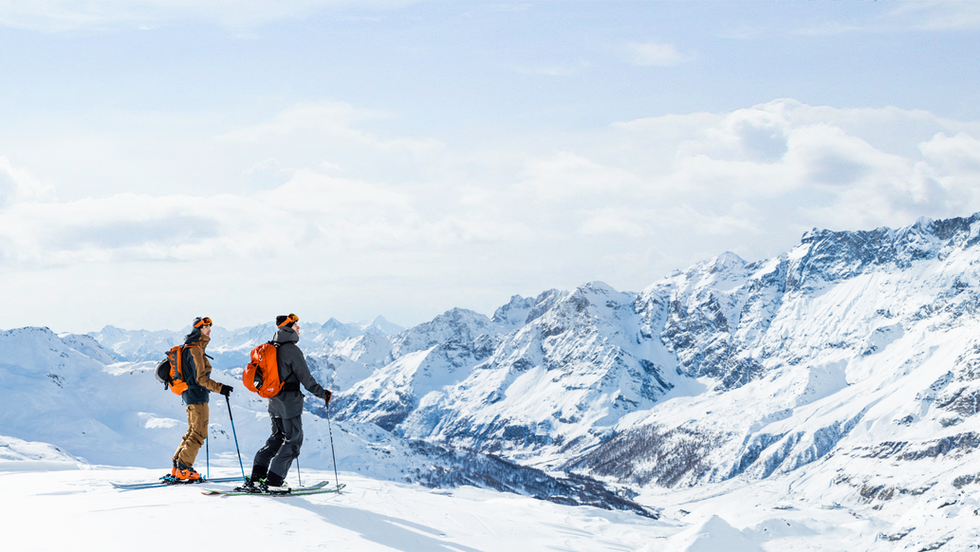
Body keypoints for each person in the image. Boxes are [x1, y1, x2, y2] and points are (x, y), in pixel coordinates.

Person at [246, 313, 331, 492]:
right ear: (289, 327)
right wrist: (323, 394)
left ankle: (257, 477)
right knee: (293, 441)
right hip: (290, 403)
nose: (299, 328)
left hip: (273, 401)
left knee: (276, 438)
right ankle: (274, 482)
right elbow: (306, 380)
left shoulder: (270, 347)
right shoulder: (291, 350)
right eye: (296, 325)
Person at [171, 316, 233, 481]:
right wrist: (221, 388)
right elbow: (201, 379)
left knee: (192, 432)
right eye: (206, 327)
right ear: (199, 329)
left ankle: (178, 465)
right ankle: (184, 468)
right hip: (197, 396)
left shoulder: (189, 348)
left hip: (190, 395)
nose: (209, 330)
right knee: (198, 433)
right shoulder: (195, 349)